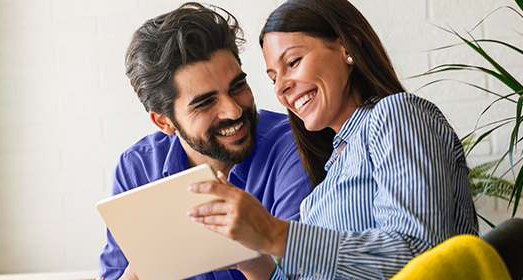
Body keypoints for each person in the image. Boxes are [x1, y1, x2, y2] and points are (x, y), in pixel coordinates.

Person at [186, 0, 479, 279]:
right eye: (274, 78)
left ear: (347, 45)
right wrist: (253, 261)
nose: (281, 88)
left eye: (294, 62)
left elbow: (420, 256)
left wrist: (273, 233)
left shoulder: (395, 114)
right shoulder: (329, 176)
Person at [98, 3, 314, 280]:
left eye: (237, 86)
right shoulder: (137, 168)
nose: (234, 111)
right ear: (164, 121)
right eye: (204, 103)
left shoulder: (292, 147)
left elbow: (303, 273)